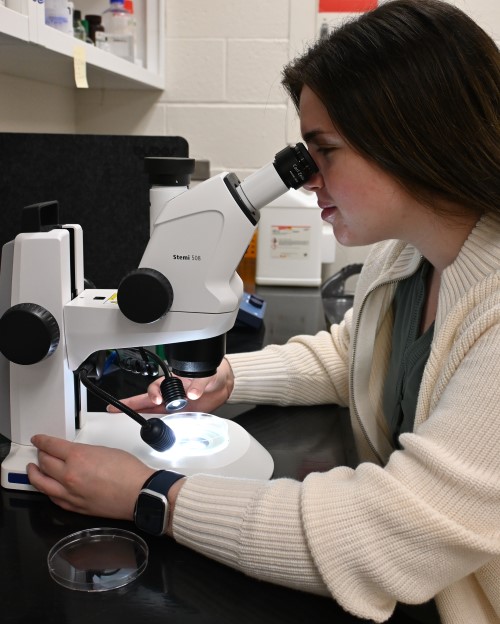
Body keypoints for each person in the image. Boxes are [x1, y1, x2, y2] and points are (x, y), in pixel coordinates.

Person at [27, 1, 500, 622]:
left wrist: (152, 495)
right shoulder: (407, 257)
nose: (307, 181)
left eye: (323, 152)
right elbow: (353, 354)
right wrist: (225, 380)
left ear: (414, 139)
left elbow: (388, 534)